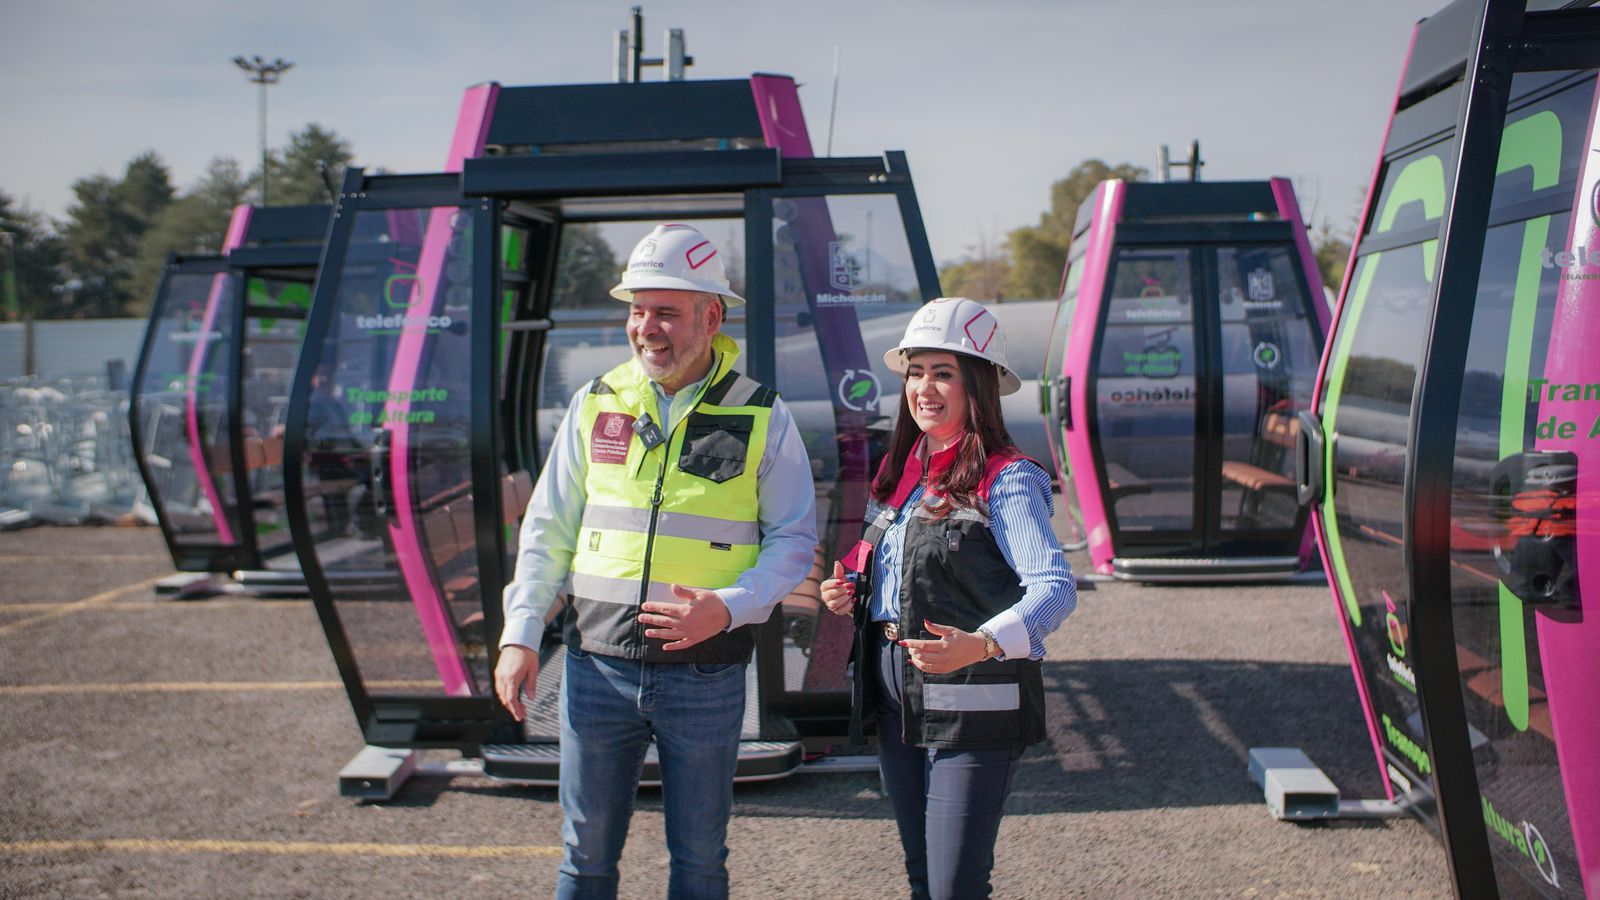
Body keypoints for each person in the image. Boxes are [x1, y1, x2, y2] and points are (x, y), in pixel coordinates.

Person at [494, 223, 818, 900]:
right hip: (594, 669)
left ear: (711, 317)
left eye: (666, 311)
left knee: (699, 861)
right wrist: (520, 634)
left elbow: (793, 539)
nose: (647, 328)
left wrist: (727, 607)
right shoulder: (597, 402)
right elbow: (548, 529)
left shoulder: (761, 413)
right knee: (584, 858)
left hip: (705, 674)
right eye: (637, 310)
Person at [820, 296, 1077, 900]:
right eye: (916, 372)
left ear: (978, 386)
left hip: (973, 698)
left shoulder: (1007, 476)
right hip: (895, 692)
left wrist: (983, 643)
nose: (924, 388)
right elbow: (899, 567)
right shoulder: (902, 468)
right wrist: (851, 589)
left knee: (954, 886)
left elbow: (1055, 589)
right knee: (922, 878)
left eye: (943, 373)